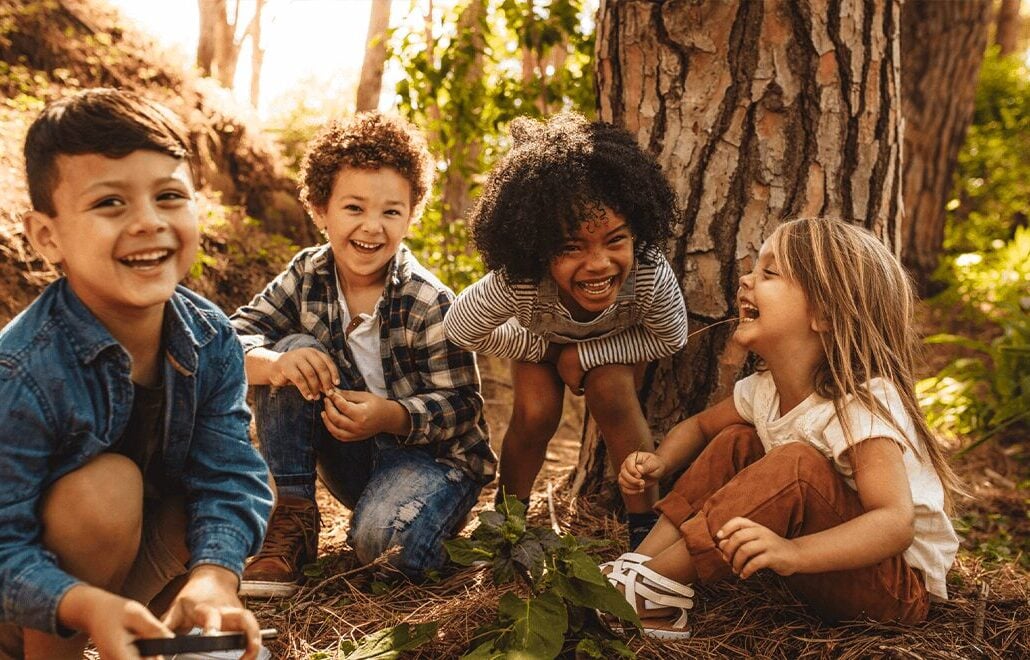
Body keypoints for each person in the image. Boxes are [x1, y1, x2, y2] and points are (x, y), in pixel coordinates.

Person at [0, 88, 274, 660]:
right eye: (110, 204)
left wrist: (216, 577)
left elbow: (230, 475)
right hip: (26, 597)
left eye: (169, 196)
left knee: (193, 514)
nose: (149, 222)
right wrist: (80, 604)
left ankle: (169, 645)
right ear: (48, 238)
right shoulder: (23, 370)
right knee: (104, 491)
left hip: (124, 578)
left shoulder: (210, 337)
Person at [607, 217, 963, 638]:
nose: (745, 279)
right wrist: (661, 462)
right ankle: (643, 569)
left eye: (769, 273)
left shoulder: (860, 404)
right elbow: (702, 427)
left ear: (825, 313)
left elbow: (894, 523)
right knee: (737, 440)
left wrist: (793, 552)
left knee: (794, 465)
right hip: (828, 565)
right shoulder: (763, 391)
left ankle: (646, 590)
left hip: (893, 587)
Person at [231, 112, 496, 596]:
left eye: (391, 212)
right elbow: (228, 340)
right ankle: (293, 515)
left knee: (382, 548)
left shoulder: (428, 300)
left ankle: (412, 526)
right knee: (293, 351)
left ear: (411, 216)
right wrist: (273, 364)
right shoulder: (306, 274)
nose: (372, 228)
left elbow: (463, 406)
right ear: (319, 209)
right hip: (352, 457)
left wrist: (391, 416)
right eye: (354, 208)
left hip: (433, 464)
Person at [443, 113, 687, 549]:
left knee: (611, 390)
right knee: (535, 413)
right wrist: (542, 348)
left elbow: (671, 337)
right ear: (537, 247)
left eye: (615, 240)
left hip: (614, 348)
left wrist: (586, 355)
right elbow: (462, 327)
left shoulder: (649, 272)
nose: (598, 263)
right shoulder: (520, 281)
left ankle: (645, 534)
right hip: (541, 344)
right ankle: (506, 524)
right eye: (572, 247)